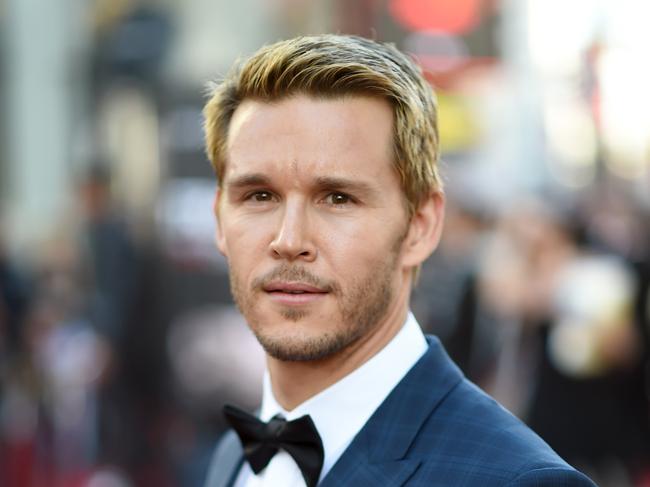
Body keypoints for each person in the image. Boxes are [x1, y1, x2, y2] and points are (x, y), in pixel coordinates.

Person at [201, 34, 596, 487]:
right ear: (219, 219)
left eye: (337, 198)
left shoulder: (518, 481)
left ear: (421, 226)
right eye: (259, 195)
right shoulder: (232, 456)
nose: (289, 240)